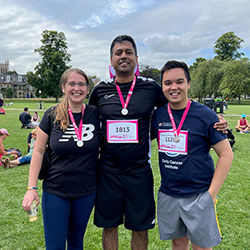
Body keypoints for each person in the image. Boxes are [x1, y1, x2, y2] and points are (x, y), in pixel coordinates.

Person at [88, 35, 228, 250]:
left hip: (139, 172)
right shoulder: (100, 90)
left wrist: (213, 120)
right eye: (118, 52)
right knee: (109, 227)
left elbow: (178, 105)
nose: (123, 56)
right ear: (111, 59)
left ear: (136, 58)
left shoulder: (151, 87)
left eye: (128, 52)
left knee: (140, 227)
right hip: (107, 171)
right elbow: (87, 119)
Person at [151, 60, 234, 250]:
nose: (174, 87)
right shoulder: (158, 116)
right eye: (168, 83)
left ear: (188, 83)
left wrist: (211, 195)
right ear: (162, 86)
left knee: (201, 246)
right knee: (178, 243)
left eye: (179, 82)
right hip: (168, 193)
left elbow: (226, 155)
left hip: (199, 194)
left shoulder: (206, 115)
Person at [22, 68, 100, 250]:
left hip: (86, 192)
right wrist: (31, 188)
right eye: (71, 83)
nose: (76, 88)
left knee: (75, 243)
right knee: (55, 245)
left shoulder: (95, 114)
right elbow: (39, 151)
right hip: (56, 191)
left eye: (81, 84)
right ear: (64, 87)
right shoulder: (51, 114)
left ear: (87, 89)